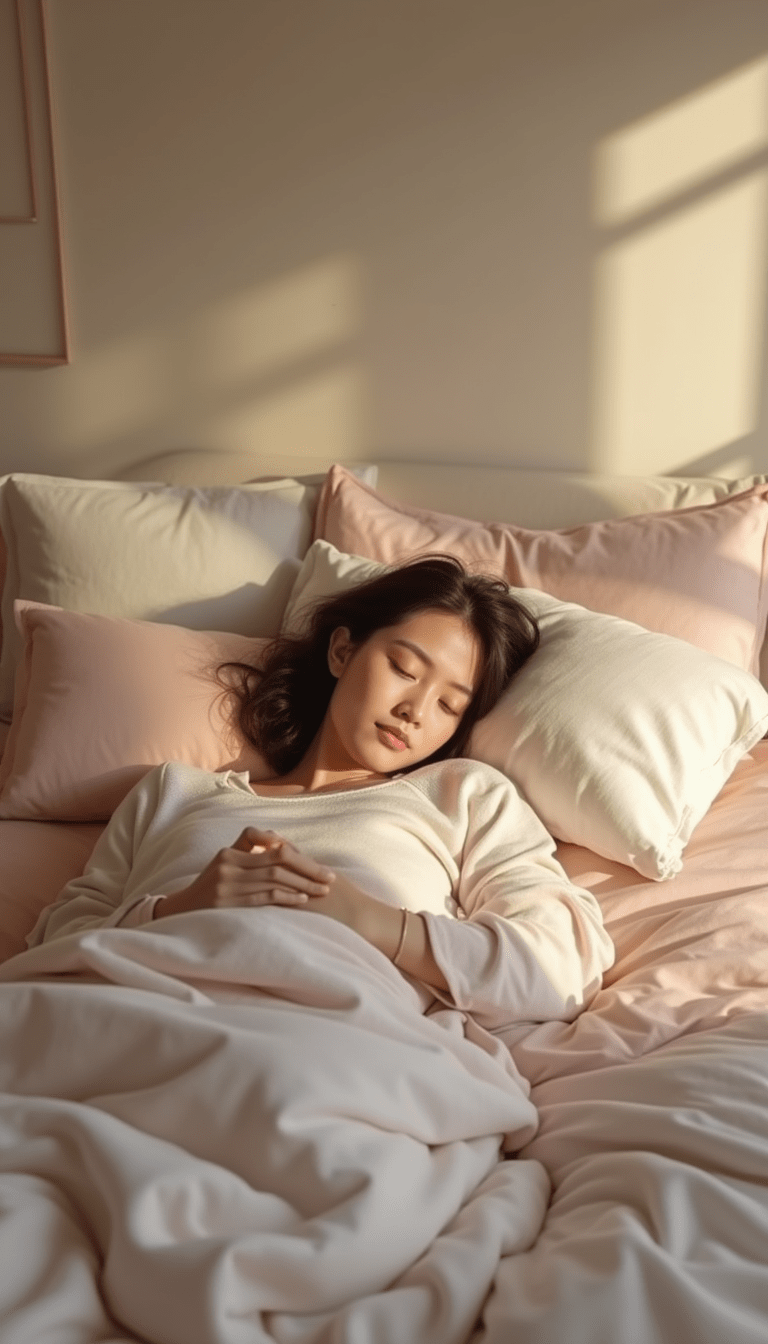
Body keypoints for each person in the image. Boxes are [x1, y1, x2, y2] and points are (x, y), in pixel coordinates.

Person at [27, 556, 613, 1033]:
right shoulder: (174, 790)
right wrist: (180, 907)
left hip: (334, 1040)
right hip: (138, 1020)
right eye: (405, 669)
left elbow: (560, 964)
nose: (414, 711)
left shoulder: (462, 795)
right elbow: (56, 947)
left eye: (449, 705)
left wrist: (377, 923)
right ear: (342, 651)